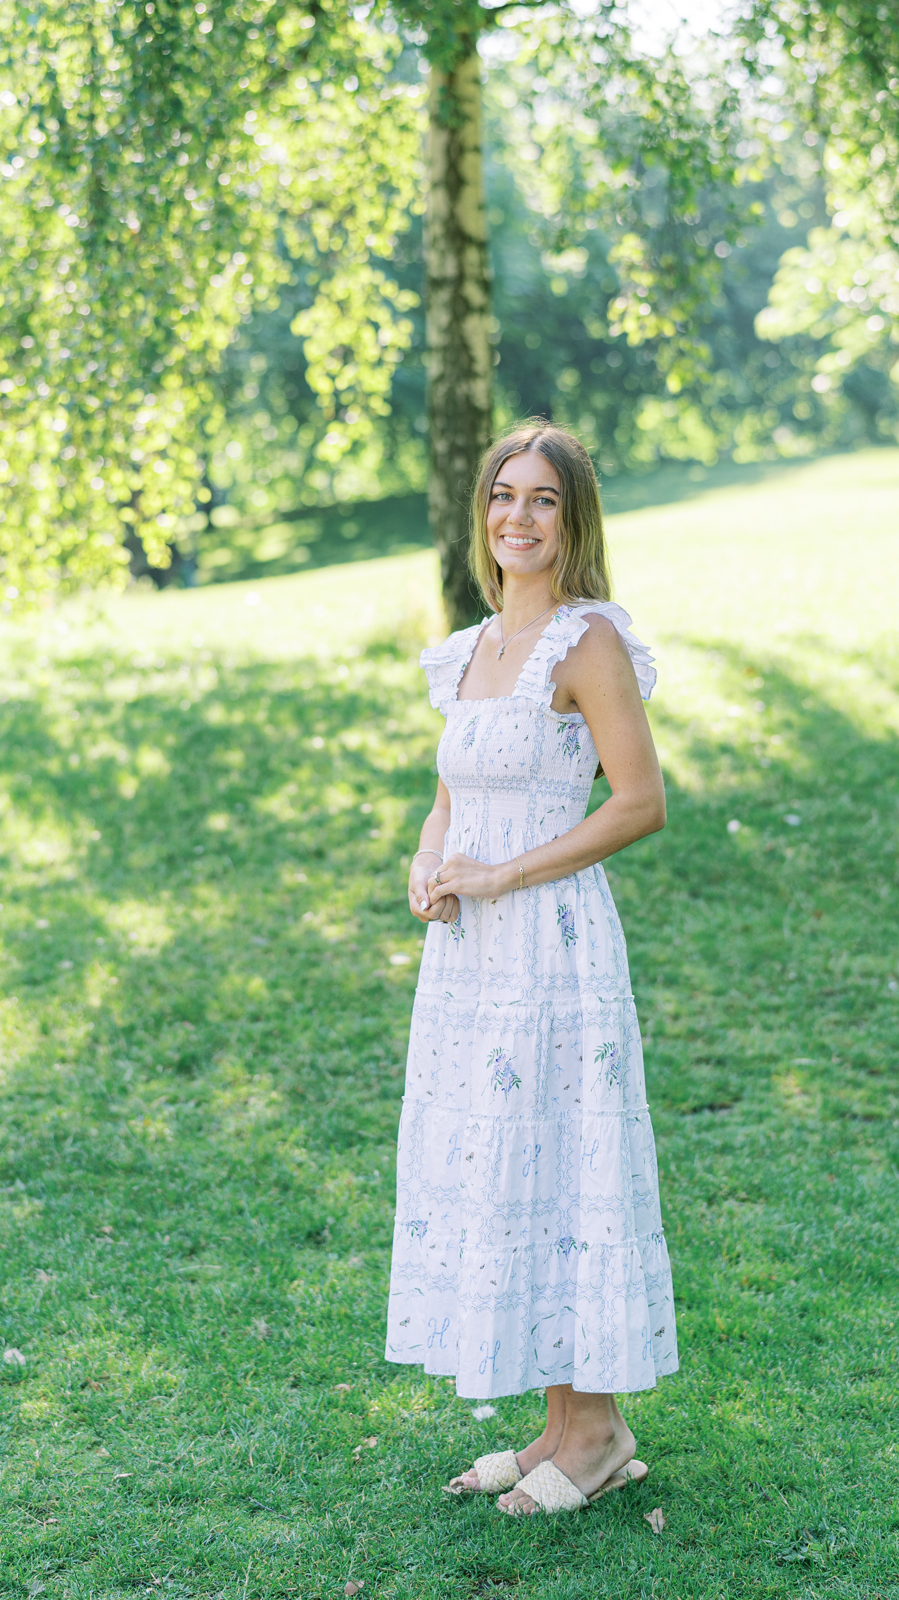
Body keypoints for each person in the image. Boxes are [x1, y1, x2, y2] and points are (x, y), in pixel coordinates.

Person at [385, 422, 678, 1516]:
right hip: (469, 963)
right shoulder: (467, 650)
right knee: (509, 1174)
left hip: (552, 946)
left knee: (566, 1163)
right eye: (502, 495)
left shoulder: (585, 641)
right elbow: (451, 791)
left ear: (573, 518)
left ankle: (597, 1430)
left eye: (542, 500)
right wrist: (429, 862)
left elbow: (638, 802)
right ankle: (561, 1424)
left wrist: (503, 873)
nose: (517, 516)